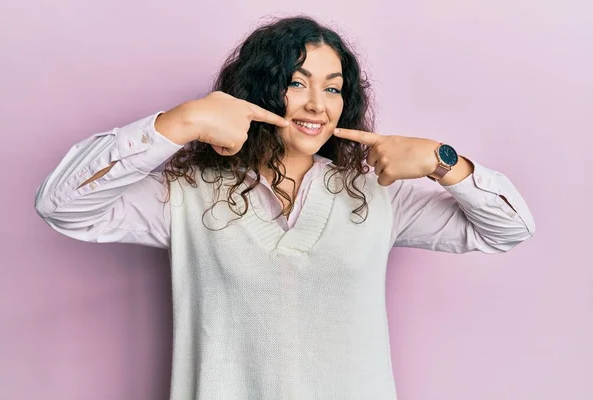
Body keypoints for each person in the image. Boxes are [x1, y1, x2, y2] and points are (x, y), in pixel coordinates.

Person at [34, 15, 535, 400]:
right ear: (258, 89)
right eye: (297, 82)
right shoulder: (187, 194)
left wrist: (440, 160)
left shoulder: (379, 193)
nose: (318, 104)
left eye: (333, 88)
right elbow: (63, 204)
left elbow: (507, 229)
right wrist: (183, 121)